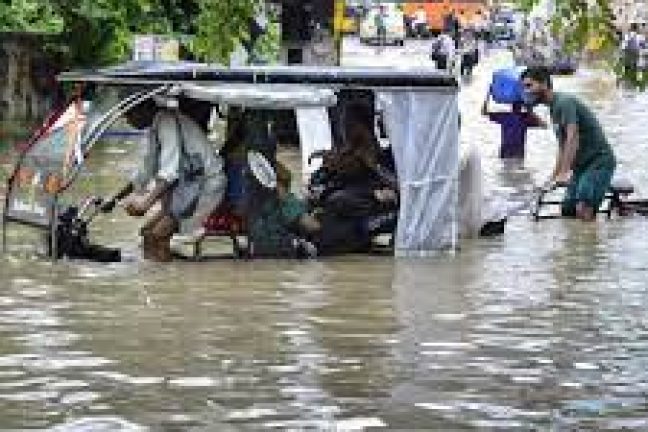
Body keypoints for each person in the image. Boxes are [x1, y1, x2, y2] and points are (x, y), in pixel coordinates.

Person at [102, 96, 226, 261]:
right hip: (188, 189)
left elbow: (169, 171)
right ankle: (155, 278)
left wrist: (145, 204)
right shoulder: (158, 125)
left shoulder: (167, 122)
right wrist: (115, 198)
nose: (127, 120)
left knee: (157, 235)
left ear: (143, 109)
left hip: (205, 186)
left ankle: (168, 279)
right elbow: (145, 171)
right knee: (146, 233)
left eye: (129, 114)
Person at [521, 66, 616, 221]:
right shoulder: (553, 109)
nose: (526, 91)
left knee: (583, 207)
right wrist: (554, 176)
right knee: (567, 211)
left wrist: (564, 173)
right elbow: (562, 146)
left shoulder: (564, 102)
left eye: (529, 86)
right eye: (524, 87)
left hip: (598, 161)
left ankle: (590, 241)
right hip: (581, 167)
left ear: (544, 83)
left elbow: (573, 138)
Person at [482, 90, 546, 159]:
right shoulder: (525, 117)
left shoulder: (505, 116)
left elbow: (484, 112)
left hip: (508, 151)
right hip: (515, 151)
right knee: (516, 167)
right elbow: (543, 124)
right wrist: (530, 110)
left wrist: (488, 96)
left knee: (505, 167)